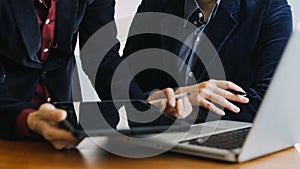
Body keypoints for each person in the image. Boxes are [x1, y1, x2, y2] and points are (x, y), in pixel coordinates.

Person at [97, 0, 293, 122]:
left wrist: (191, 107)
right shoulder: (156, 3)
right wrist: (156, 99)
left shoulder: (270, 8)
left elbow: (267, 102)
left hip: (224, 142)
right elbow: (129, 82)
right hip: (154, 143)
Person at [0, 0, 119, 150]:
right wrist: (27, 118)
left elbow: (102, 56)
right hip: (8, 124)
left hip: (65, 131)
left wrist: (141, 105)